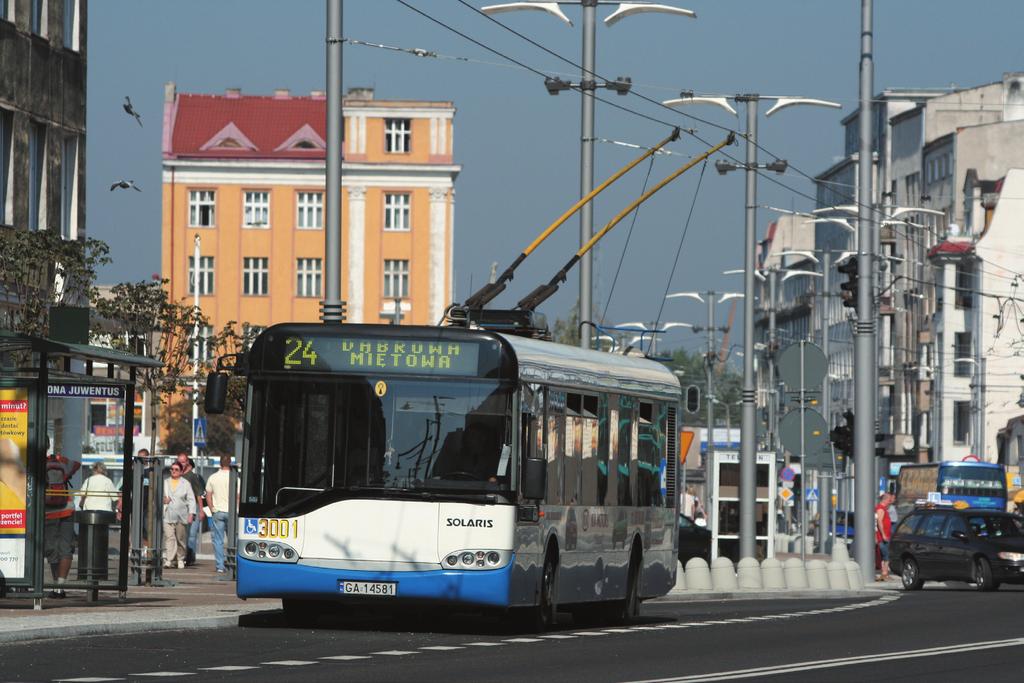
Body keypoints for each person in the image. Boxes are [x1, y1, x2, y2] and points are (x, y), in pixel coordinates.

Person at [45, 445, 81, 598]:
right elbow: (76, 465)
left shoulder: (38, 463)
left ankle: (56, 587)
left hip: (48, 510)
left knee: (51, 548)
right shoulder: (61, 461)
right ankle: (60, 585)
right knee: (66, 548)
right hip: (67, 507)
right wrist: (60, 459)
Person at [205, 454, 238, 574]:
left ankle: (220, 566)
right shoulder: (235, 477)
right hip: (232, 512)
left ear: (220, 463)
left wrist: (212, 508)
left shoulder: (213, 477)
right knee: (233, 540)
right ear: (230, 463)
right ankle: (233, 564)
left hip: (218, 511)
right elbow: (238, 496)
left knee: (218, 540)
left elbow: (208, 495)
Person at [162, 461, 196, 569]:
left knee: (180, 539)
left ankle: (180, 558)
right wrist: (164, 500)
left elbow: (191, 499)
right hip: (167, 515)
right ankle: (169, 559)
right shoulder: (165, 482)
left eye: (176, 469)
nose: (173, 471)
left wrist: (191, 513)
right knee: (169, 537)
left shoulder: (186, 483)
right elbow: (158, 497)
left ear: (181, 471)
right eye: (172, 469)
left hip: (181, 515)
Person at [175, 453, 205, 566]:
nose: (181, 464)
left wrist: (201, 510)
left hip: (193, 509)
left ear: (187, 462)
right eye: (179, 461)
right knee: (180, 534)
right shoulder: (176, 474)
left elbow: (199, 494)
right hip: (180, 509)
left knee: (191, 535)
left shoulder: (192, 476)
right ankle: (180, 556)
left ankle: (190, 557)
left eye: (183, 462)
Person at [875, 492, 894, 581]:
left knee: (884, 555)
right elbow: (879, 522)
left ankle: (884, 573)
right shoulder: (881, 509)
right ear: (885, 499)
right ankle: (884, 573)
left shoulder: (883, 509)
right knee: (886, 555)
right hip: (883, 537)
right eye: (889, 500)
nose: (890, 502)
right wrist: (883, 534)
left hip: (884, 535)